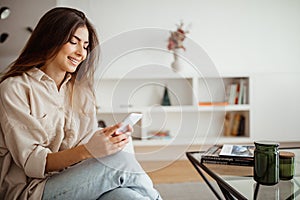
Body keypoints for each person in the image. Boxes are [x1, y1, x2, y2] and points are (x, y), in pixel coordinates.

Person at [0, 7, 161, 200]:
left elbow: (85, 148)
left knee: (128, 196)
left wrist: (105, 142)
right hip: (32, 191)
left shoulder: (82, 93)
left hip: (78, 181)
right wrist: (88, 150)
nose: (81, 53)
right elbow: (33, 162)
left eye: (85, 46)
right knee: (120, 162)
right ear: (50, 39)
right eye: (73, 42)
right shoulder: (15, 88)